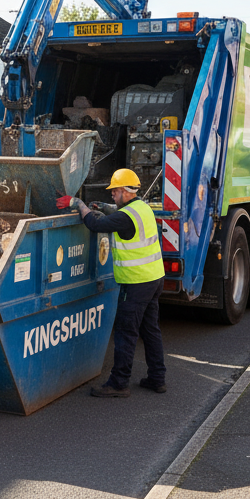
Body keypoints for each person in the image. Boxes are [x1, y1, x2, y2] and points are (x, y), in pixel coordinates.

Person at [56, 168, 166, 397]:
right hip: (155, 279)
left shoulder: (124, 217)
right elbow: (117, 213)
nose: (112, 196)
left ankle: (119, 384)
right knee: (151, 331)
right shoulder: (142, 208)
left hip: (136, 283)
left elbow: (95, 226)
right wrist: (103, 208)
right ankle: (157, 378)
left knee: (126, 333)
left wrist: (79, 204)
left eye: (114, 192)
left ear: (126, 192)